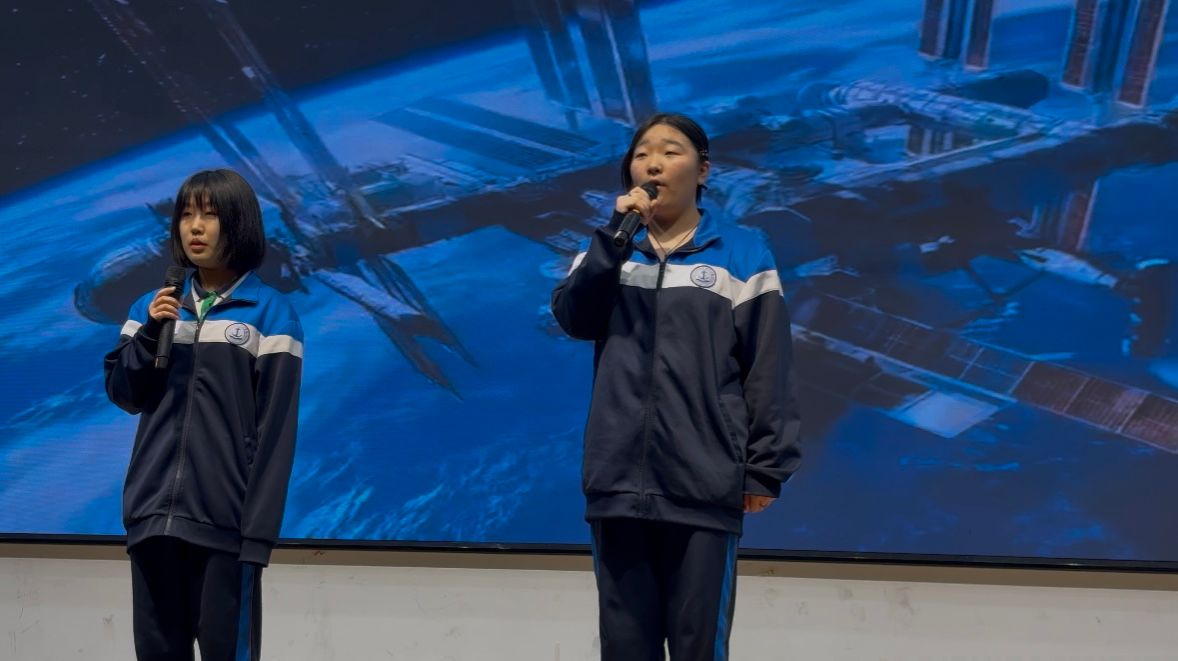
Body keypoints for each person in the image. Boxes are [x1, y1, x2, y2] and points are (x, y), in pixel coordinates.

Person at [551, 113, 801, 660]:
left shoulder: (742, 253)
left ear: (702, 170)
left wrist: (765, 466)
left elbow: (768, 363)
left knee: (697, 649)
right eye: (642, 154)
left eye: (670, 151)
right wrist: (612, 241)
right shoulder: (607, 249)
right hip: (617, 482)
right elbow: (575, 319)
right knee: (625, 648)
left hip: (703, 482)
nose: (653, 164)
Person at [104, 168, 303, 660]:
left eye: (210, 215)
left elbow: (275, 433)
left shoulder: (271, 315)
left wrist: (256, 535)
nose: (195, 227)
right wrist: (150, 332)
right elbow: (125, 394)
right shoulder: (150, 307)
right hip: (152, 521)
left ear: (239, 224)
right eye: (187, 215)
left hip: (225, 528)